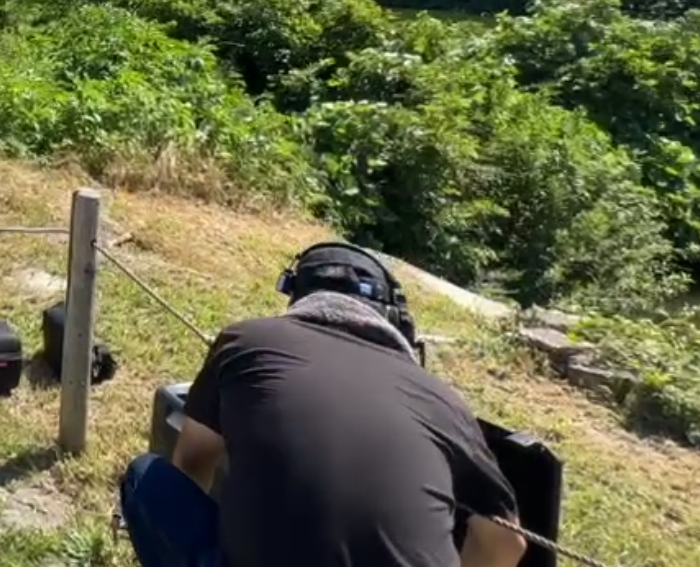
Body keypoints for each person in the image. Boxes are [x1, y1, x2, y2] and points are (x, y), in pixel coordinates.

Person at [121, 242, 527, 567]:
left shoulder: (248, 340)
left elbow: (191, 463)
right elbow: (507, 542)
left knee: (146, 478)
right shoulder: (444, 400)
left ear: (298, 296)